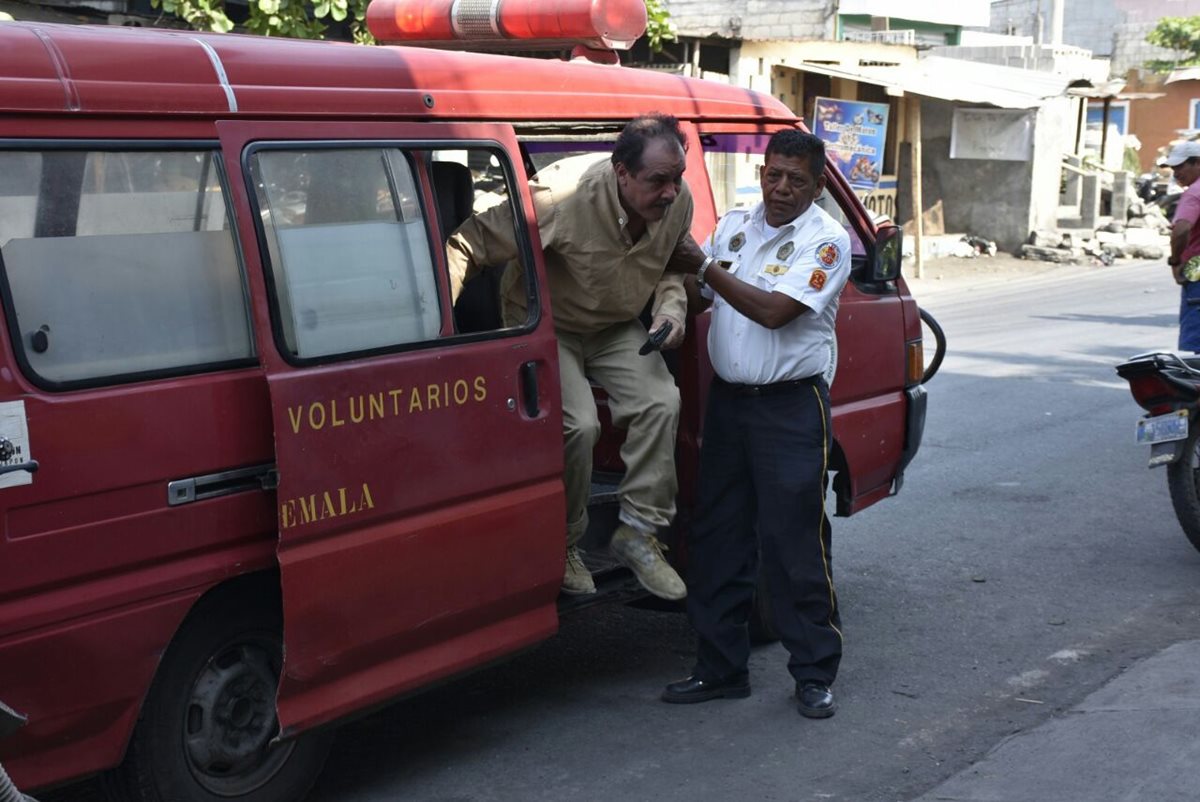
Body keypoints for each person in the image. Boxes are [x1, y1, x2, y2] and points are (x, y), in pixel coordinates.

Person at [445, 114, 691, 601]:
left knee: (662, 401)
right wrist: (432, 330)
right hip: (548, 324)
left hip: (614, 323)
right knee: (580, 425)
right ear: (622, 172)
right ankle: (566, 543)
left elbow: (671, 269)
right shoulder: (561, 196)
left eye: (678, 178)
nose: (671, 191)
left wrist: (671, 312)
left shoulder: (675, 202)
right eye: (658, 180)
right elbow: (468, 244)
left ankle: (638, 534)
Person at [659, 129, 850, 718]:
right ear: (761, 173)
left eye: (796, 179)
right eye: (774, 174)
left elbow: (773, 313)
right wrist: (669, 288)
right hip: (731, 403)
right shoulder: (735, 227)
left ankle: (814, 673)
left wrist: (704, 268)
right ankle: (720, 669)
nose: (782, 188)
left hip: (791, 407)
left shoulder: (827, 241)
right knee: (719, 536)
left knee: (792, 542)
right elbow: (698, 295)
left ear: (818, 186)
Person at [1165, 141, 1200, 353]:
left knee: (1196, 342)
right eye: (1173, 168)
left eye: (1180, 167)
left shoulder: (1194, 194)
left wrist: (1175, 260)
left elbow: (1182, 230)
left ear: (1197, 163)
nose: (1176, 173)